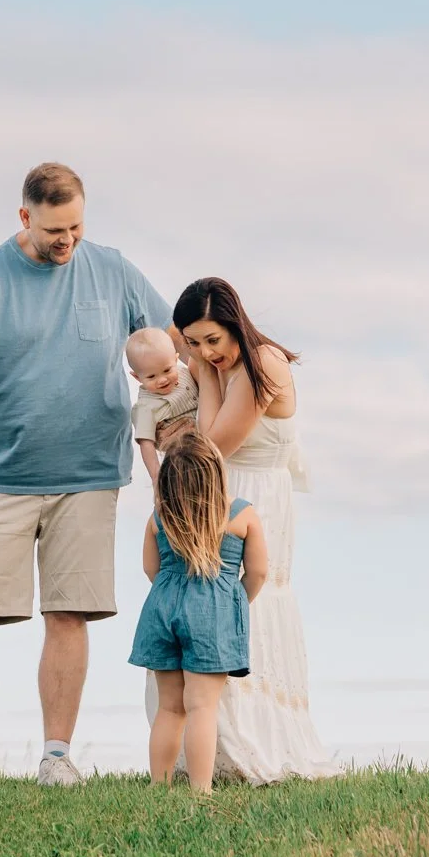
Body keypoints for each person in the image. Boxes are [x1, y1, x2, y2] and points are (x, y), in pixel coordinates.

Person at [0, 162, 171, 787]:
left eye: (75, 226)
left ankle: (56, 757)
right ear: (25, 218)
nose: (66, 239)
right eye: (53, 230)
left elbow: (175, 337)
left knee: (70, 615)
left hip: (91, 475)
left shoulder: (115, 269)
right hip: (3, 477)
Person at [148, 275, 339, 783]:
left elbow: (212, 446)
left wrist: (203, 378)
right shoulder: (206, 353)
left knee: (250, 596)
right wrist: (186, 354)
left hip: (252, 494)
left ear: (236, 324)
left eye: (214, 339)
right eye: (195, 341)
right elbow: (167, 338)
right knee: (202, 600)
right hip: (218, 491)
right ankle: (202, 751)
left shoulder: (264, 365)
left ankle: (250, 742)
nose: (207, 351)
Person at [130, 432, 267, 793]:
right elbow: (259, 572)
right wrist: (236, 601)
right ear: (216, 473)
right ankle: (200, 790)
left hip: (162, 608)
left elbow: (150, 568)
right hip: (214, 609)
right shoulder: (241, 514)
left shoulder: (158, 517)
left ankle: (159, 787)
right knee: (203, 707)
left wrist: (173, 597)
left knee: (170, 708)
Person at [127, 326, 198, 482]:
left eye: (167, 370)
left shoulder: (187, 372)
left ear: (175, 359)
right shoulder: (145, 407)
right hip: (182, 462)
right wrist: (156, 476)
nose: (162, 379)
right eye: (151, 376)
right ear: (137, 377)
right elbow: (146, 443)